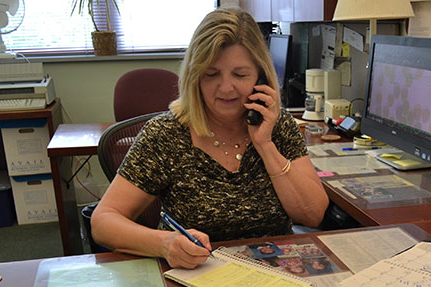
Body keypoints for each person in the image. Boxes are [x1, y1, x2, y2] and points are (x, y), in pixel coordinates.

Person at [91, 8, 329, 269]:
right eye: (212, 74)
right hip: (196, 281)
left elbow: (313, 214)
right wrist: (165, 243)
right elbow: (103, 221)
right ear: (195, 76)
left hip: (276, 275)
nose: (226, 88)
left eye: (240, 75)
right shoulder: (166, 135)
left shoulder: (277, 125)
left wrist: (265, 145)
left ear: (261, 78)